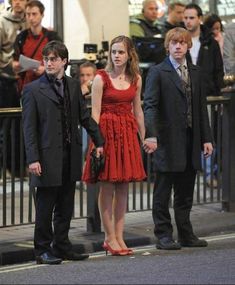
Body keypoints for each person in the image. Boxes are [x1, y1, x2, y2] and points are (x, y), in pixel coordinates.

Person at [21, 40, 104, 265]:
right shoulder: (32, 90)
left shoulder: (74, 85)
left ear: (64, 61)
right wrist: (33, 158)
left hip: (70, 154)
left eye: (53, 59)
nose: (48, 63)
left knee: (66, 205)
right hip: (46, 157)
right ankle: (42, 250)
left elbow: (84, 117)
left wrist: (99, 140)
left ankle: (62, 246)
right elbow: (29, 129)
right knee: (45, 207)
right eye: (46, 59)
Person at [144, 27, 213, 250]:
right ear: (168, 46)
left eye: (182, 43)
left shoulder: (195, 72)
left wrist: (206, 138)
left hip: (190, 139)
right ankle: (163, 234)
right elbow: (151, 106)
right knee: (163, 191)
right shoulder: (157, 72)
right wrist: (151, 135)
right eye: (174, 43)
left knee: (185, 192)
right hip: (166, 140)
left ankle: (186, 234)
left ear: (188, 45)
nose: (178, 46)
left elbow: (201, 108)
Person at [82, 35, 150, 256]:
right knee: (107, 186)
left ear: (130, 54)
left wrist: (144, 138)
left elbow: (138, 111)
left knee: (123, 187)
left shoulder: (136, 79)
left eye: (121, 52)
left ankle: (120, 236)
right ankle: (109, 237)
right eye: (114, 52)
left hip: (128, 135)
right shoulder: (101, 78)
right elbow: (94, 113)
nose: (117, 56)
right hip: (106, 135)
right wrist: (97, 142)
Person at [183, 3, 224, 188]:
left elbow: (218, 71)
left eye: (191, 17)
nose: (188, 21)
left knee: (207, 135)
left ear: (199, 18)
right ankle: (188, 171)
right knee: (186, 134)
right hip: (184, 95)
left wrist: (217, 93)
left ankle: (208, 174)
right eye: (185, 17)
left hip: (206, 96)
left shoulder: (210, 42)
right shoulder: (179, 41)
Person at [0, 0, 28, 180]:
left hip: (25, 81)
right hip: (5, 80)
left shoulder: (28, 21)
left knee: (19, 127)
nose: (18, 2)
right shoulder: (2, 22)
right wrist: (9, 65)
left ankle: (17, 168)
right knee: (5, 126)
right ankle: (4, 168)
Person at [12, 0, 61, 95]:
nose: (31, 18)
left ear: (42, 15)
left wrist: (45, 69)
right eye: (28, 14)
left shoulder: (52, 37)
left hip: (49, 86)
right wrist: (16, 65)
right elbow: (15, 60)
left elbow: (62, 61)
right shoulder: (21, 37)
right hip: (27, 86)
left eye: (34, 14)